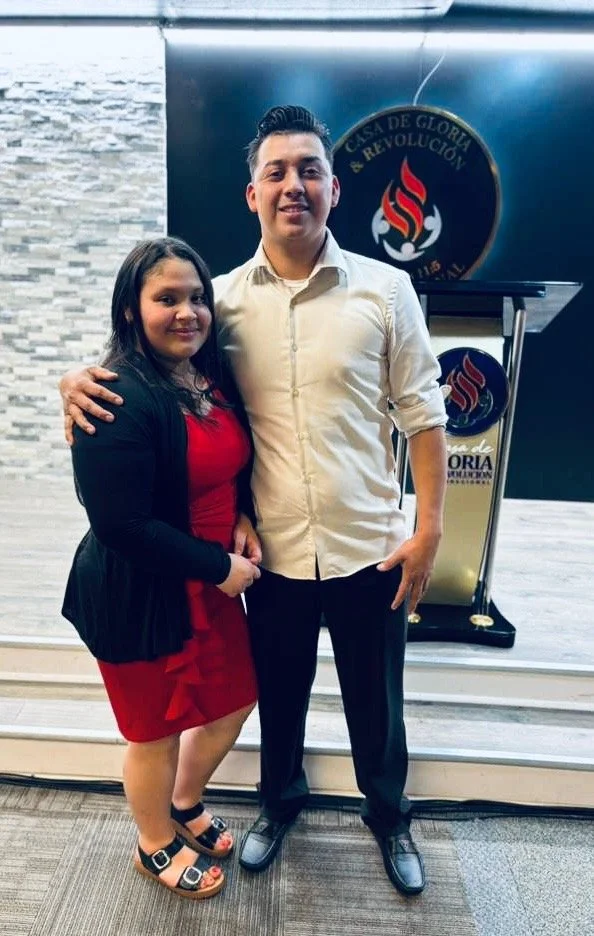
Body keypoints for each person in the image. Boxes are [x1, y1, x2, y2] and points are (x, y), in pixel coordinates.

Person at [59, 106, 447, 897]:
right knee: (276, 694)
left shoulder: (387, 289)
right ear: (252, 194)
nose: (293, 186)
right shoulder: (222, 300)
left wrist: (430, 528)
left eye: (308, 170)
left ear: (335, 189)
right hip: (268, 553)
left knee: (380, 706)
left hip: (369, 543)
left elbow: (425, 414)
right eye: (276, 172)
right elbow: (158, 361)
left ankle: (388, 815)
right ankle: (279, 804)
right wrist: (73, 379)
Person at [61, 236, 262, 900]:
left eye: (197, 297)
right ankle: (153, 843)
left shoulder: (208, 375)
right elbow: (120, 525)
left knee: (234, 701)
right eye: (166, 299)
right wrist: (215, 563)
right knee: (155, 730)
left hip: (209, 579)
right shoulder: (113, 397)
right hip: (141, 588)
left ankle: (183, 800)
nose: (188, 312)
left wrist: (239, 517)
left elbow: (223, 463)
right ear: (129, 311)